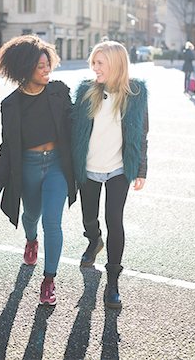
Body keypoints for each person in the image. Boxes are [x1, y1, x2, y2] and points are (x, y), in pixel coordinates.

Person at [0, 34, 76, 306]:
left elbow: (77, 124)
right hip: (29, 167)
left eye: (48, 64)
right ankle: (31, 240)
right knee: (31, 216)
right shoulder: (11, 105)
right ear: (25, 69)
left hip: (57, 165)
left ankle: (49, 281)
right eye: (41, 66)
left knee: (52, 222)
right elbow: (7, 148)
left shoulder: (58, 92)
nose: (47, 70)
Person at [72, 40, 149, 309]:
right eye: (93, 62)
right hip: (89, 169)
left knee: (114, 220)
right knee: (89, 218)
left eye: (100, 62)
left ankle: (113, 283)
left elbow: (141, 134)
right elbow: (72, 128)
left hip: (118, 169)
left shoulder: (136, 93)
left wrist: (141, 169)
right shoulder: (86, 91)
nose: (94, 68)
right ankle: (94, 240)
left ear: (116, 64)